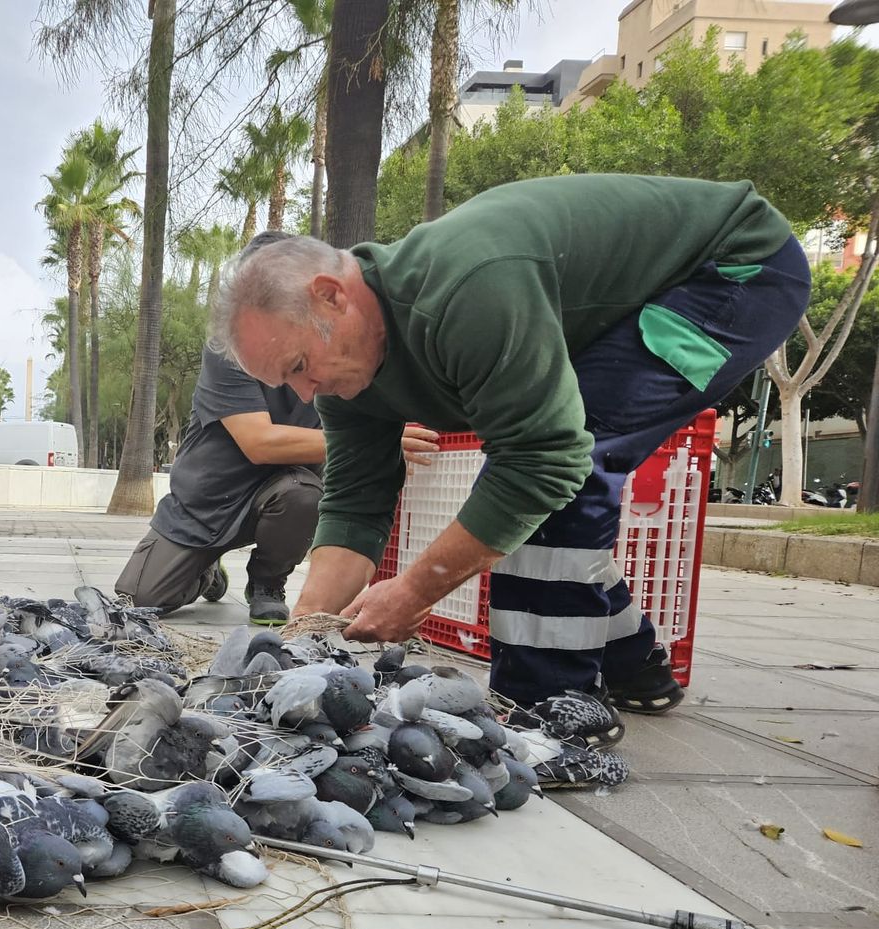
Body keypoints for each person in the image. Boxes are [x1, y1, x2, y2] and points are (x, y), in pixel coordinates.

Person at [211, 174, 809, 722]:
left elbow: (545, 460)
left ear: (331, 296)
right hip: (646, 296)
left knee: (564, 459)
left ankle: (551, 708)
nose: (305, 391)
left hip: (735, 272)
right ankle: (632, 661)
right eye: (284, 382)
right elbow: (354, 505)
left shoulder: (465, 289)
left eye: (298, 366)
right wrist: (300, 638)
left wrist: (418, 589)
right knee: (549, 475)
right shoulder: (344, 376)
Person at [118, 230, 439, 627]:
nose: (307, 391)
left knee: (303, 494)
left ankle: (268, 582)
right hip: (209, 500)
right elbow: (259, 443)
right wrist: (359, 443)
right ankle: (206, 571)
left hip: (284, 494)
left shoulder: (336, 350)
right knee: (138, 599)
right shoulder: (232, 348)